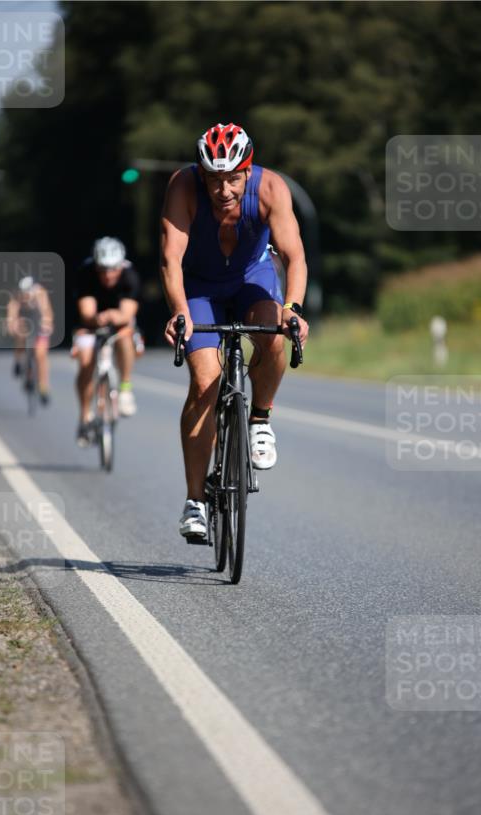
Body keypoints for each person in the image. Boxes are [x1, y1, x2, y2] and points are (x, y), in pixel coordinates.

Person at [160, 122, 309, 540]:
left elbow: (295, 258)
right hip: (200, 284)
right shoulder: (183, 188)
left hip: (251, 276)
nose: (223, 189)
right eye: (214, 179)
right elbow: (170, 259)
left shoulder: (271, 189)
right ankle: (195, 501)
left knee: (273, 331)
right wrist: (178, 312)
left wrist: (293, 309)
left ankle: (260, 418)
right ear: (201, 174)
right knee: (205, 380)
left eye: (233, 178)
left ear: (248, 170)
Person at [72, 237, 141, 446]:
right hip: (91, 321)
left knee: (125, 336)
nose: (108, 275)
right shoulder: (86, 273)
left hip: (119, 320)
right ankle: (85, 415)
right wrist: (97, 319)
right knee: (85, 363)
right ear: (96, 266)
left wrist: (114, 316)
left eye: (113, 269)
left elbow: (127, 314)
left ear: (120, 265)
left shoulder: (129, 275)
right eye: (102, 269)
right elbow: (86, 312)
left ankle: (125, 389)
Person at [6, 276, 54, 403]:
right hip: (24, 321)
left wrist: (47, 323)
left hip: (38, 322)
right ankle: (18, 360)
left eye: (27, 293)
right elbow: (12, 312)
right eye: (23, 293)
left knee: (41, 355)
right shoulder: (16, 295)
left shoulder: (40, 293)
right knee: (20, 334)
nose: (25, 296)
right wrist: (12, 324)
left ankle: (43, 387)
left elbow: (47, 311)